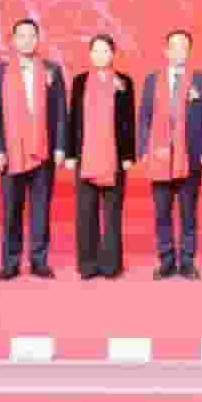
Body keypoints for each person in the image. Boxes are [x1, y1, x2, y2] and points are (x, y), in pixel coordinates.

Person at [0, 18, 66, 281]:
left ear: (37, 39)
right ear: (13, 40)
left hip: (43, 149)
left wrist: (60, 146)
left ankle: (39, 260)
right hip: (11, 151)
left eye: (31, 36)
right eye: (21, 36)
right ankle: (10, 262)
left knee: (41, 208)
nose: (26, 40)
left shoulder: (51, 70)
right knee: (11, 209)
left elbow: (60, 111)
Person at [140, 30, 202, 281]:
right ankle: (166, 260)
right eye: (174, 46)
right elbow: (144, 116)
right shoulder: (152, 80)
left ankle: (188, 261)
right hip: (159, 155)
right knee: (162, 212)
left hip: (190, 155)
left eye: (184, 47)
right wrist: (143, 149)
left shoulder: (201, 80)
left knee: (188, 212)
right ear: (166, 51)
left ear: (189, 51)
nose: (179, 51)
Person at [66, 34, 136, 280]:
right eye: (95, 50)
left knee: (112, 212)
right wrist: (70, 153)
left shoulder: (124, 81)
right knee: (85, 212)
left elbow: (128, 119)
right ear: (90, 54)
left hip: (114, 155)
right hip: (85, 153)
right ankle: (88, 265)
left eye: (105, 50)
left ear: (113, 54)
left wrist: (128, 154)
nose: (100, 55)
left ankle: (111, 265)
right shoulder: (80, 81)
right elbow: (73, 118)